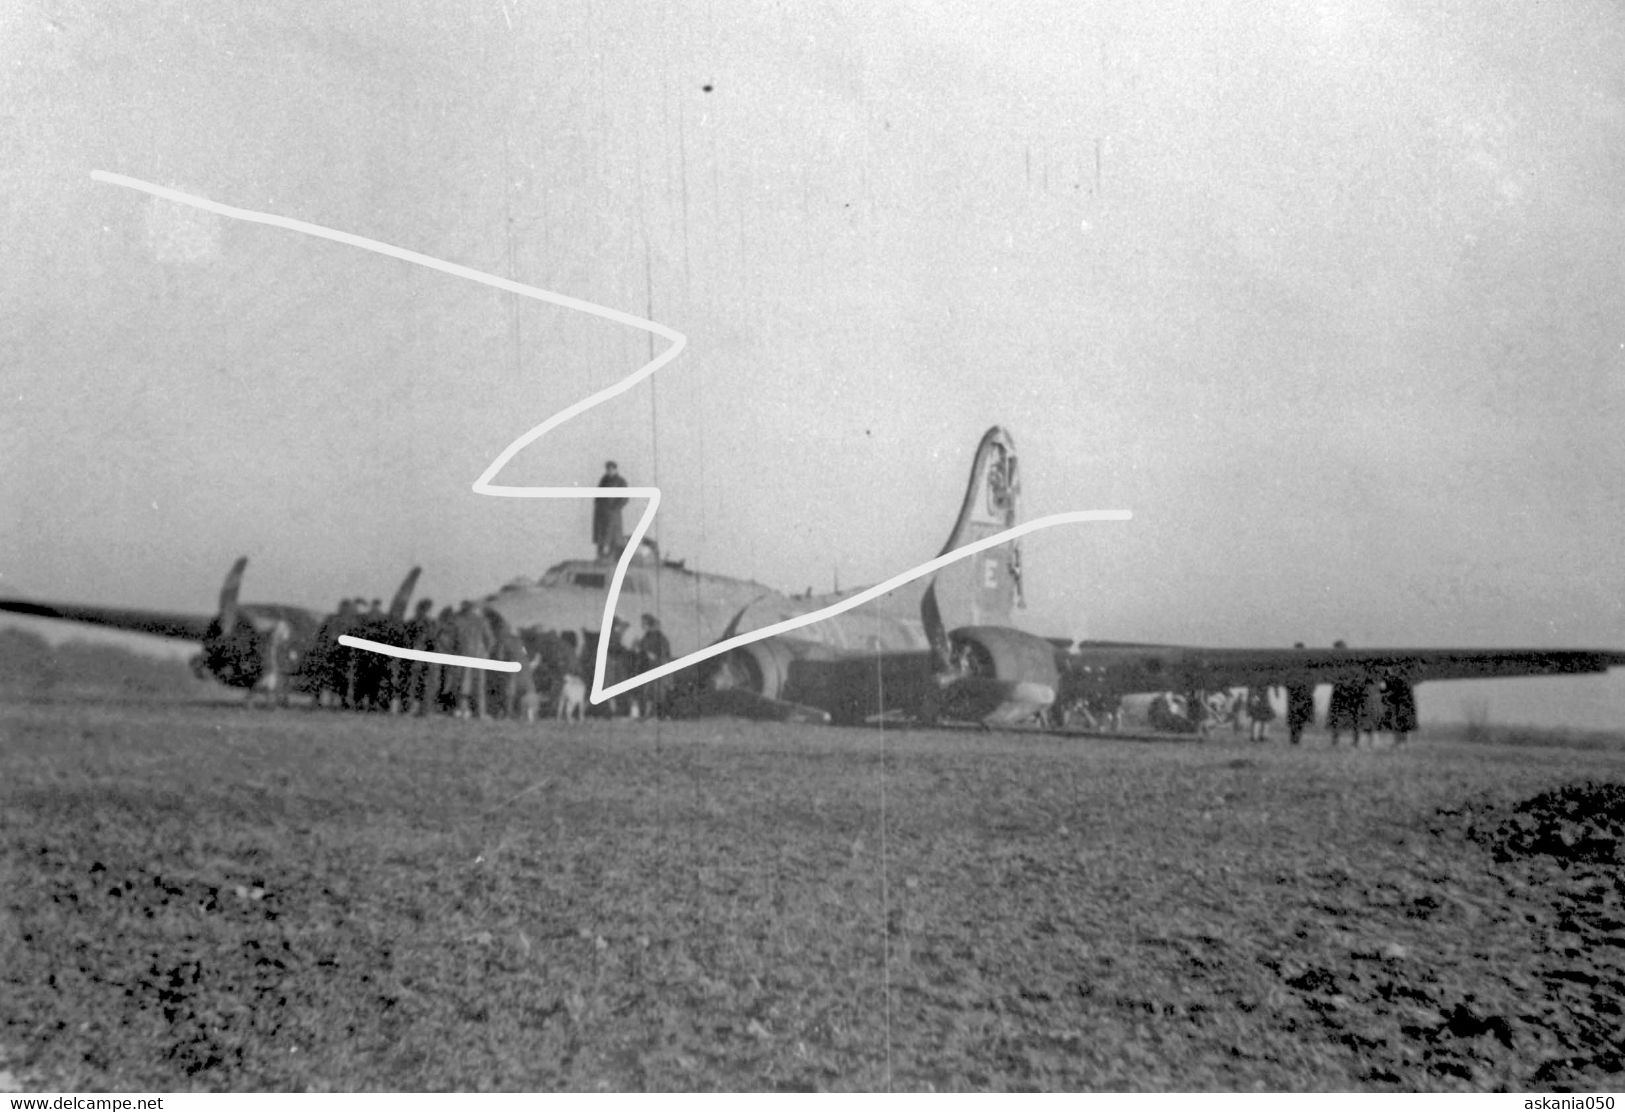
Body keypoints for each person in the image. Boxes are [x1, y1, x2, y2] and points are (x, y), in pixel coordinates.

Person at [636, 613, 673, 718]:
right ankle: (649, 714)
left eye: (644, 623)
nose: (642, 625)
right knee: (649, 693)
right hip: (649, 668)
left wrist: (652, 655)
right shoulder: (646, 637)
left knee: (658, 693)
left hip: (658, 667)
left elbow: (664, 653)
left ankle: (662, 715)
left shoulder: (659, 637)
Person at [593, 460, 629, 559]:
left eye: (611, 469)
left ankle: (612, 557)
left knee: (613, 536)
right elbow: (598, 494)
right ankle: (601, 557)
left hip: (613, 513)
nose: (609, 471)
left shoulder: (620, 482)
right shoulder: (603, 480)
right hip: (601, 513)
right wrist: (597, 503)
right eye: (608, 469)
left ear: (615, 469)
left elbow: (625, 497)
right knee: (602, 536)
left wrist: (615, 508)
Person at [1285, 642, 1315, 746]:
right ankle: (1295, 740)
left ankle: (1295, 740)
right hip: (1298, 695)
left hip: (1300, 695)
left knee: (1298, 720)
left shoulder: (1296, 664)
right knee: (1297, 720)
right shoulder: (1302, 665)